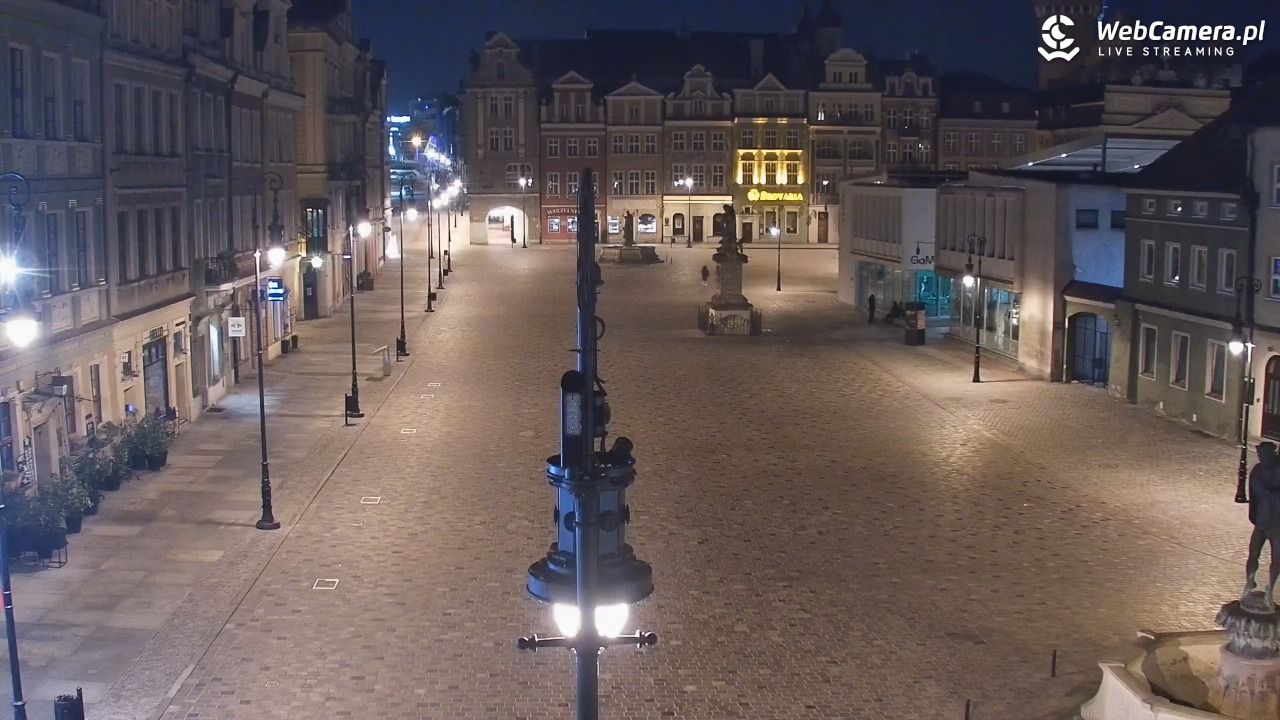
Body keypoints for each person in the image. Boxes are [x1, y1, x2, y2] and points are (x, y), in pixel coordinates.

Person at [1244, 442, 1280, 606]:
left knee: (1277, 559)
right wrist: (1254, 515)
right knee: (1253, 554)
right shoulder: (1257, 472)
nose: (1262, 459)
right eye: (1260, 456)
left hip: (1277, 525)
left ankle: (1270, 589)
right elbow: (1253, 496)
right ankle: (1250, 582)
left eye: (1265, 456)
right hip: (1261, 521)